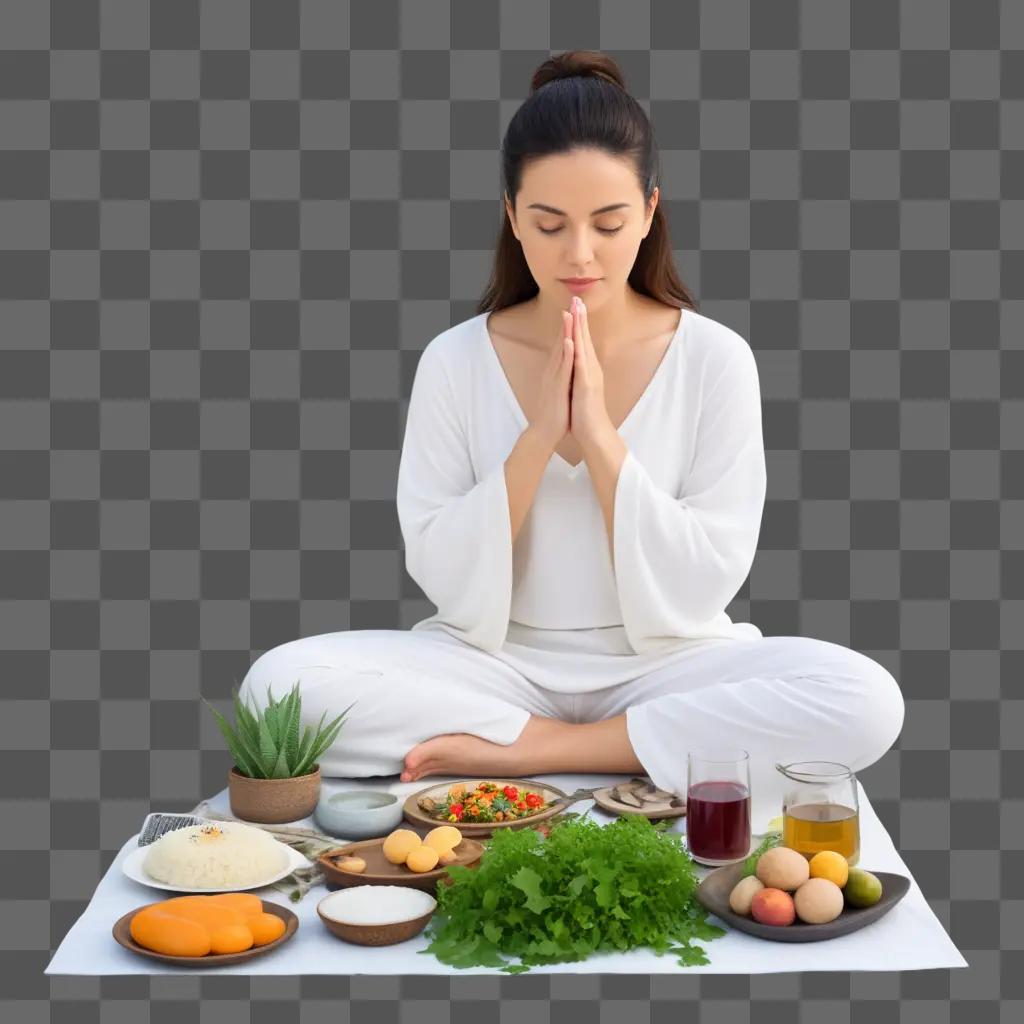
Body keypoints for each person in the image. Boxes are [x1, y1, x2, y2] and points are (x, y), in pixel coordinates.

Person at [238, 50, 904, 831]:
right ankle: (617, 748)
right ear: (514, 217)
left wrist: (597, 435)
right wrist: (538, 438)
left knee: (867, 699)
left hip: (669, 666)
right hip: (492, 668)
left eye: (609, 223)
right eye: (550, 224)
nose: (579, 254)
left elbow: (705, 581)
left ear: (650, 210)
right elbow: (444, 576)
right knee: (274, 688)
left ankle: (534, 752)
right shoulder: (455, 359)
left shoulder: (715, 357)